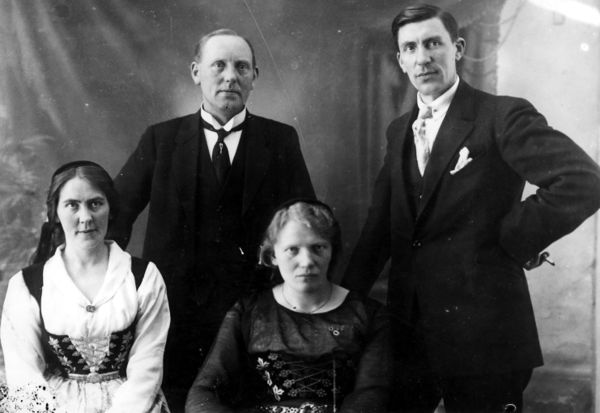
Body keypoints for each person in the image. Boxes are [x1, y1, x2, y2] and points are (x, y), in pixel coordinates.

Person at [342, 4, 600, 413]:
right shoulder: (398, 131)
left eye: (433, 43)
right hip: (410, 333)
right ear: (400, 60)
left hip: (486, 333)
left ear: (458, 48)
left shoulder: (501, 115)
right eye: (411, 48)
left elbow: (583, 180)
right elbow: (378, 228)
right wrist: (342, 306)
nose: (423, 58)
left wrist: (511, 240)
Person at [110, 29, 315, 410]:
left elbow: (306, 225)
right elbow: (115, 218)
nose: (230, 76)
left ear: (255, 76)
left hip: (254, 314)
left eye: (241, 67)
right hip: (173, 316)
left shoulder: (280, 140)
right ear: (196, 72)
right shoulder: (161, 139)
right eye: (218, 65)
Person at [185, 200, 390, 413]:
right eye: (292, 249)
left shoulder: (368, 314)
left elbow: (371, 394)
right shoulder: (249, 312)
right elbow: (204, 391)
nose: (307, 261)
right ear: (273, 255)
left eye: (318, 247)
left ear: (332, 251)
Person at [0, 161, 171, 413]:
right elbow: (24, 375)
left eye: (95, 203)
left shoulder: (143, 277)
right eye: (72, 205)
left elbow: (147, 366)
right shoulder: (26, 285)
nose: (86, 217)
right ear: (54, 212)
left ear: (110, 209)